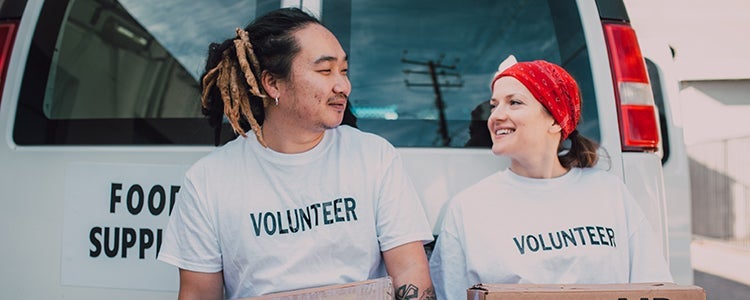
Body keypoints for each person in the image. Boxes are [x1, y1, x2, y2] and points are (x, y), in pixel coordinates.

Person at [157, 8, 435, 300]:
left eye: (344, 71)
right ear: (273, 83)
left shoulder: (374, 157)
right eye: (325, 70)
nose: (343, 86)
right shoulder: (208, 180)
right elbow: (199, 294)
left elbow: (410, 273)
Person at [429, 57, 673, 300]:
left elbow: (654, 285)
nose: (496, 116)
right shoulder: (468, 208)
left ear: (556, 120)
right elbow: (449, 293)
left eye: (514, 102)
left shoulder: (609, 193)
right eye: (494, 106)